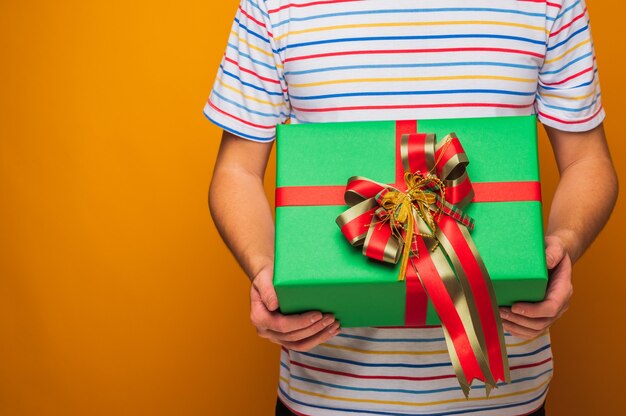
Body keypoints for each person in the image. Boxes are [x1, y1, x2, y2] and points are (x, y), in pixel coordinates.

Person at [205, 0, 618, 414]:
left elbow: (588, 161)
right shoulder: (271, 6)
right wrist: (264, 271)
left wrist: (565, 243)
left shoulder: (552, 5)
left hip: (506, 396)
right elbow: (236, 172)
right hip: (326, 395)